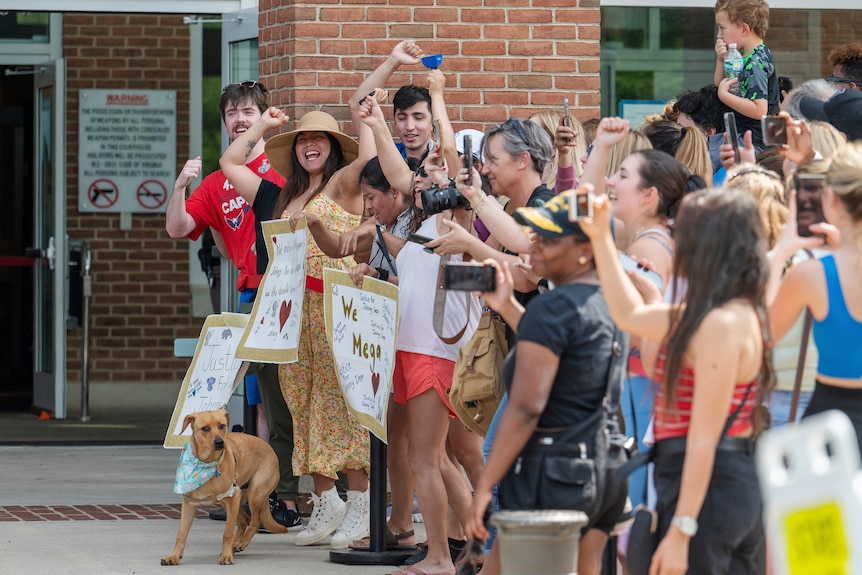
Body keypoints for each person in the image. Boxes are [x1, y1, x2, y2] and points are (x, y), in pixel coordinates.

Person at [582, 188, 772, 575]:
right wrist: (601, 238)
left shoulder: (721, 323)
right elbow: (629, 315)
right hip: (705, 481)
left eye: (682, 231)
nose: (674, 239)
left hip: (711, 487)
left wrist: (682, 531)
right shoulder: (722, 313)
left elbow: (705, 436)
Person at [220, 106, 375, 548]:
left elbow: (367, 160)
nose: (311, 145)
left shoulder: (343, 184)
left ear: (333, 148)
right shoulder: (274, 194)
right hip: (289, 316)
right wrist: (265, 127)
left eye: (320, 139)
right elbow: (229, 163)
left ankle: (361, 505)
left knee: (337, 406)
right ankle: (327, 503)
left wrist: (367, 112)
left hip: (332, 309)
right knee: (301, 406)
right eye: (303, 139)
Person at [464, 192, 628, 575]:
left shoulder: (553, 308)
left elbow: (526, 407)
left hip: (553, 471)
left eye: (549, 239)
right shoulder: (612, 300)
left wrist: (486, 486)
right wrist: (508, 306)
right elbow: (564, 353)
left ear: (586, 250)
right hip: (604, 465)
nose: (534, 246)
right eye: (534, 234)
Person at [165, 81, 302, 530]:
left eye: (248, 112)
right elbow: (180, 226)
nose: (240, 120)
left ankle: (282, 496)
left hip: (287, 293)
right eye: (232, 114)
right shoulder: (215, 181)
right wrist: (181, 186)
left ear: (263, 116)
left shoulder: (281, 167)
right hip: (249, 296)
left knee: (286, 397)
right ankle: (244, 495)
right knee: (254, 400)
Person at [766, 141, 862, 455]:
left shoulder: (812, 275)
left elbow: (761, 337)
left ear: (831, 199)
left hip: (828, 430)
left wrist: (780, 253)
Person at [349, 40, 431, 162]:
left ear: (433, 122)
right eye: (402, 118)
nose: (409, 126)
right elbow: (358, 104)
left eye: (418, 118)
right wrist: (393, 61)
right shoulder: (386, 153)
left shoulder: (446, 155)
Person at [713, 0, 778, 151]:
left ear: (744, 30)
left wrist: (724, 96)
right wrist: (721, 59)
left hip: (754, 142)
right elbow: (720, 83)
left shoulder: (755, 63)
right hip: (744, 134)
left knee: (711, 156)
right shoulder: (742, 53)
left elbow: (759, 110)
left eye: (722, 28)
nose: (719, 35)